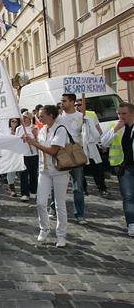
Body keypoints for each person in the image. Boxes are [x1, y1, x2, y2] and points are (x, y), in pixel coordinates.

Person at [23, 105, 70, 247]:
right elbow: (39, 147)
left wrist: (34, 144)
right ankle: (44, 228)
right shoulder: (43, 130)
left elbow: (53, 151)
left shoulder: (60, 129)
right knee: (40, 202)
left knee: (59, 204)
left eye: (42, 115)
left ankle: (61, 235)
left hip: (59, 170)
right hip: (44, 171)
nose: (39, 117)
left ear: (51, 115)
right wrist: (30, 141)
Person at [101, 102, 134, 236]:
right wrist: (115, 129)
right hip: (124, 167)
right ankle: (131, 224)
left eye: (124, 113)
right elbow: (103, 143)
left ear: (132, 113)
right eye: (119, 113)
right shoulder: (115, 126)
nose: (121, 116)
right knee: (128, 196)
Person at [57, 93, 87, 225]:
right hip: (61, 154)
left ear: (72, 102)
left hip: (75, 154)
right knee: (57, 185)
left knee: (78, 186)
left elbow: (86, 135)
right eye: (61, 101)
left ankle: (79, 214)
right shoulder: (58, 118)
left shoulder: (81, 117)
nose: (62, 103)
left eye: (64, 101)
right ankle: (54, 208)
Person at [76, 100, 108, 197]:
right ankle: (83, 189)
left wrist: (102, 143)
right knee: (81, 170)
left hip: (92, 146)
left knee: (97, 169)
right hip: (80, 147)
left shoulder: (91, 114)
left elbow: (98, 128)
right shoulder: (73, 116)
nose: (77, 106)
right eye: (75, 105)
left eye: (79, 104)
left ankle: (102, 188)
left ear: (84, 105)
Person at [16, 112, 39, 202]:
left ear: (30, 118)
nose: (23, 119)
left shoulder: (35, 128)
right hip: (23, 154)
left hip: (33, 154)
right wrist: (21, 138)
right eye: (22, 117)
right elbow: (16, 140)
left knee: (33, 174)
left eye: (25, 117)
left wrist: (32, 138)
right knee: (24, 175)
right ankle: (24, 193)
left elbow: (39, 141)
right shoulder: (19, 129)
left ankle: (33, 191)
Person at [6, 118, 21, 197]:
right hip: (8, 153)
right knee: (11, 170)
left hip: (19, 153)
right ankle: (11, 187)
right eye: (12, 121)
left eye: (16, 121)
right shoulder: (6, 130)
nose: (14, 123)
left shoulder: (20, 130)